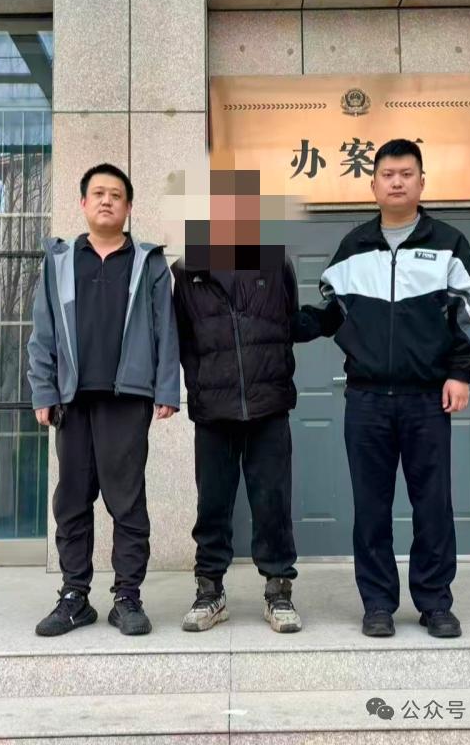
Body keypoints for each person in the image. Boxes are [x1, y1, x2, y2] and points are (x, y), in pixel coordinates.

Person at [300, 139, 470, 639]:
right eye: (388, 174)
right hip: (366, 401)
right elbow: (333, 313)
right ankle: (378, 604)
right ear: (374, 184)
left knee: (433, 505)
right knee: (371, 508)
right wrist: (281, 323)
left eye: (407, 173)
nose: (397, 181)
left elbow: (469, 315)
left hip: (427, 399)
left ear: (422, 181)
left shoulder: (448, 243)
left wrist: (461, 373)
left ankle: (435, 603)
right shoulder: (353, 246)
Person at [28, 162, 179, 637]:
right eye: (98, 193)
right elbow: (43, 333)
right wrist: (43, 390)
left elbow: (166, 328)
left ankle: (127, 597)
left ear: (129, 206)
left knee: (127, 501)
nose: (107, 200)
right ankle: (74, 597)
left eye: (116, 194)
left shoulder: (148, 263)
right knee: (72, 500)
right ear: (83, 203)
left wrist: (166, 389)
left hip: (126, 399)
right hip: (72, 400)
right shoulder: (59, 262)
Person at [171, 169, 307, 634]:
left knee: (272, 501)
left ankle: (278, 591)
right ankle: (210, 590)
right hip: (214, 409)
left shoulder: (274, 261)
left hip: (269, 405)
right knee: (212, 503)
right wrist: (197, 386)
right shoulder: (187, 270)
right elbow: (183, 338)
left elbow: (288, 322)